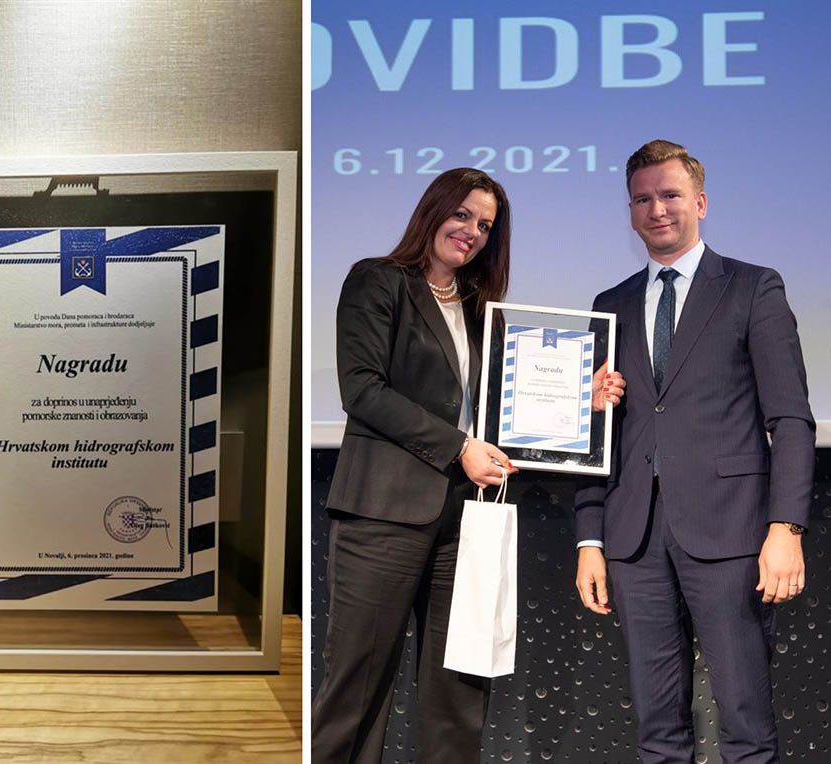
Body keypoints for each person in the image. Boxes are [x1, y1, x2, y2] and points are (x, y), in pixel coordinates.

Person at [312, 167, 622, 764]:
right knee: (358, 686)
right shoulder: (379, 281)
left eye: (485, 225)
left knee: (460, 690)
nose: (472, 231)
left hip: (468, 520)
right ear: (433, 212)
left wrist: (577, 402)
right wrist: (458, 447)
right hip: (382, 514)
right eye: (462, 215)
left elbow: (506, 410)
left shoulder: (485, 311)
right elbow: (363, 390)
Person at [574, 140, 815, 764]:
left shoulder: (753, 287)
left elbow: (790, 419)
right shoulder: (609, 305)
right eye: (642, 199)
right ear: (630, 211)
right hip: (634, 540)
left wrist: (786, 528)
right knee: (658, 733)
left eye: (670, 195)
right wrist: (590, 538)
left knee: (746, 725)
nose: (657, 210)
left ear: (700, 203)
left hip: (732, 533)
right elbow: (595, 439)